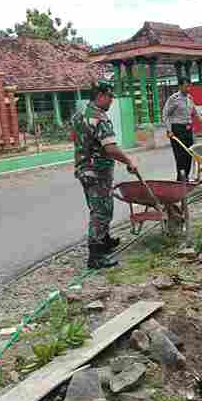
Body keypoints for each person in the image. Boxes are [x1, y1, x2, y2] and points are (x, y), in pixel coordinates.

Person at [71, 81, 138, 269]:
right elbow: (110, 148)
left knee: (98, 206)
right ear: (100, 96)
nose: (112, 101)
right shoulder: (99, 118)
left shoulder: (79, 115)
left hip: (84, 169)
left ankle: (104, 240)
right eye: (110, 96)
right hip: (97, 172)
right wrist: (129, 161)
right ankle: (96, 256)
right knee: (101, 211)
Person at [163, 77, 200, 181]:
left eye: (189, 86)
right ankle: (181, 178)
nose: (188, 88)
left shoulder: (190, 98)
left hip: (188, 129)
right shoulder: (173, 99)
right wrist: (169, 130)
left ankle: (186, 177)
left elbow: (194, 112)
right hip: (177, 129)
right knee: (180, 155)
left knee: (189, 153)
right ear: (180, 86)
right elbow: (165, 115)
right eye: (186, 86)